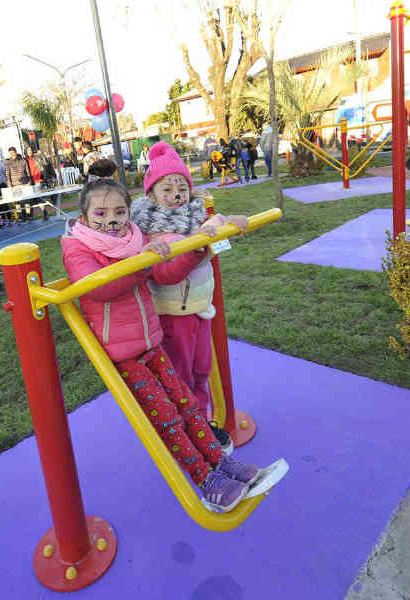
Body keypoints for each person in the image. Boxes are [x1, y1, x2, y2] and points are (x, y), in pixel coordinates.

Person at [62, 177, 287, 512]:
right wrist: (142, 264)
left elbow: (164, 273)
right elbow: (98, 287)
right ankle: (207, 484)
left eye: (120, 211)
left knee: (188, 405)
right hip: (122, 355)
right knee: (167, 418)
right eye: (101, 212)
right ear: (84, 218)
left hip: (151, 341)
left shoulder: (134, 238)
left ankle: (221, 464)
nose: (111, 219)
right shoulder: (77, 247)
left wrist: (172, 252)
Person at [130, 141, 249, 442]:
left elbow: (213, 223)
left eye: (181, 188)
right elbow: (165, 274)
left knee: (201, 370)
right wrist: (196, 248)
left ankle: (203, 422)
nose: (175, 196)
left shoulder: (193, 218)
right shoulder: (150, 231)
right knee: (181, 376)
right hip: (173, 314)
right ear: (151, 193)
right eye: (166, 190)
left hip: (199, 307)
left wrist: (232, 221)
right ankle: (187, 428)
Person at [5, 146, 31, 222]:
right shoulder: (8, 162)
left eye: (13, 152)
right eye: (10, 153)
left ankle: (28, 216)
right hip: (15, 185)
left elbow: (27, 171)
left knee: (26, 201)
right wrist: (10, 186)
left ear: (15, 152)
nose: (12, 154)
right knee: (18, 202)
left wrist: (29, 182)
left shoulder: (23, 160)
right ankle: (20, 217)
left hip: (24, 184)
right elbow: (7, 175)